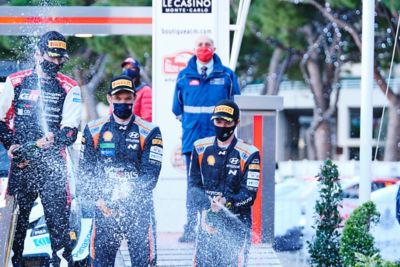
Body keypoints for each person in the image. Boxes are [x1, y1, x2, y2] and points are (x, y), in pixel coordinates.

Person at [0, 31, 82, 266]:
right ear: (38, 53)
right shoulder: (15, 82)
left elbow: (69, 132)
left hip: (53, 169)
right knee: (15, 229)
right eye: (52, 57)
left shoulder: (70, 87)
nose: (55, 63)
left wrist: (50, 141)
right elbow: (0, 122)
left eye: (60, 59)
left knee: (59, 229)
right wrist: (11, 144)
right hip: (22, 167)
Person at [79, 75, 162, 266]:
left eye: (127, 98)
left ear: (134, 98)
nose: (122, 102)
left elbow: (151, 176)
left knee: (144, 262)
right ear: (109, 99)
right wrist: (100, 199)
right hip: (104, 208)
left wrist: (127, 198)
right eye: (118, 98)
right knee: (100, 263)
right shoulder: (93, 129)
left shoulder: (150, 131)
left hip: (138, 209)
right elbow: (85, 173)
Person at [172, 35, 241, 242]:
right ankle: (191, 228)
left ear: (214, 47)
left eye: (207, 44)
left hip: (220, 141)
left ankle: (219, 226)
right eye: (200, 45)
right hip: (192, 143)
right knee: (193, 187)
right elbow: (176, 109)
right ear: (194, 49)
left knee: (223, 184)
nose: (204, 48)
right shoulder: (184, 76)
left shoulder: (227, 75)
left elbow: (236, 105)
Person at [189, 99, 260, 266]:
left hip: (237, 225)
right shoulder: (200, 147)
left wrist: (226, 202)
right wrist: (206, 206)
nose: (222, 125)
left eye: (227, 122)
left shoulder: (250, 153)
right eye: (218, 121)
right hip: (207, 223)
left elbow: (249, 195)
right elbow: (193, 185)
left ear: (236, 123)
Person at [121, 57, 153, 122]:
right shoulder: (118, 90)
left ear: (137, 70)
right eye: (125, 68)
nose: (127, 70)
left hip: (137, 129)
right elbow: (111, 113)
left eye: (131, 68)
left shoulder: (145, 90)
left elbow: (147, 117)